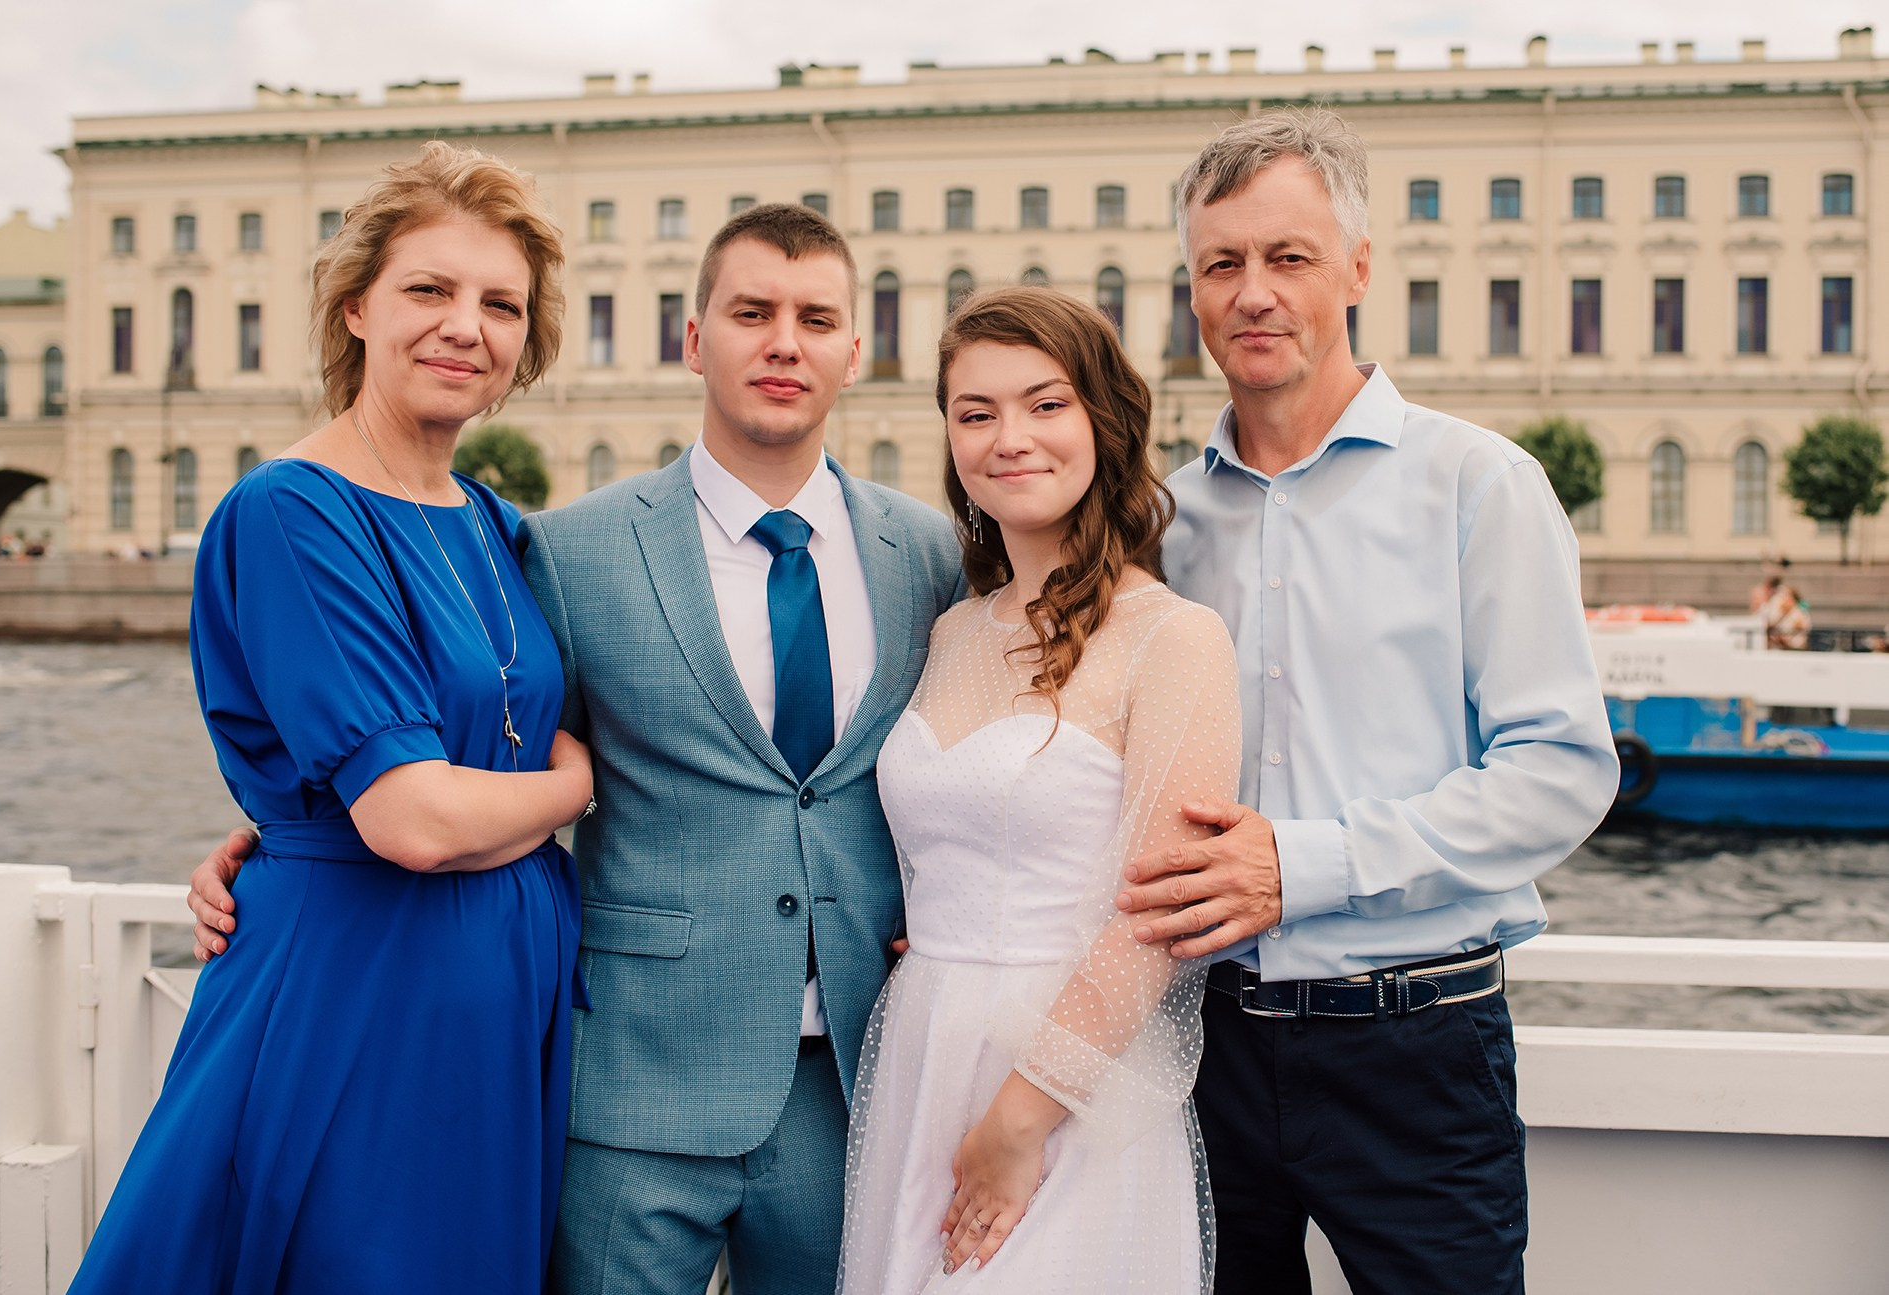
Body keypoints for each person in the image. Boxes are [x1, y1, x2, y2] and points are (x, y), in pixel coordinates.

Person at [192, 202, 963, 1295]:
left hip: (853, 1068)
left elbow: (981, 765)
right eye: (749, 312)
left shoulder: (928, 553)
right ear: (694, 339)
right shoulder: (564, 546)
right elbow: (460, 731)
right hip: (629, 1074)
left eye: (813, 318)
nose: (781, 341)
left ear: (852, 347)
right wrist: (266, 835)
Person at [1115, 108, 1619, 1293]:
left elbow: (1558, 769)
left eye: (1285, 257)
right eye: (1219, 264)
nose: (1252, 292)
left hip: (1417, 1049)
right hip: (1202, 1046)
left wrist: (1305, 863)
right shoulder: (1163, 524)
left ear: (1354, 267)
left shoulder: (1478, 485)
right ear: (1189, 290)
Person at [74, 142, 593, 1293]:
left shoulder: (498, 523)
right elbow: (409, 817)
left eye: (499, 303)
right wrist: (575, 786)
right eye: (429, 289)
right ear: (356, 305)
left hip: (500, 996)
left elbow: (460, 751)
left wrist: (286, 820)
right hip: (359, 986)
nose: (466, 325)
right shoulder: (290, 513)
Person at [837, 287, 1243, 1294]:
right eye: (975, 413)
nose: (1007, 437)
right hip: (923, 1049)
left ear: (1103, 422)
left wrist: (1021, 1115)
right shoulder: (952, 630)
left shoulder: (1172, 638)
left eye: (1044, 404)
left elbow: (1153, 917)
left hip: (1066, 1075)